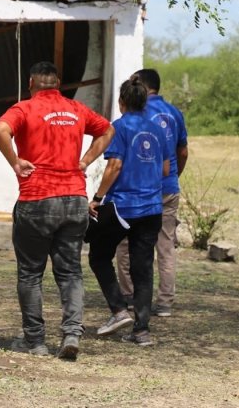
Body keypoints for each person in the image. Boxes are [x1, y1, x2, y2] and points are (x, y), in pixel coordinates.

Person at [0, 61, 113, 359]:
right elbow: (108, 130)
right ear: (57, 82)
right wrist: (85, 161)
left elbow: (0, 130)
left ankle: (35, 342)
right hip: (74, 199)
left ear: (31, 82)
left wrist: (15, 161)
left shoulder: (24, 108)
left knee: (31, 274)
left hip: (37, 200)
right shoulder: (75, 109)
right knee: (70, 272)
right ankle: (71, 334)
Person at [87, 75, 169, 347]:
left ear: (121, 102)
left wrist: (98, 197)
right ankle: (141, 330)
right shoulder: (156, 130)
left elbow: (114, 166)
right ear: (145, 102)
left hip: (123, 207)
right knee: (142, 267)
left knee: (99, 256)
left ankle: (119, 310)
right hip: (152, 209)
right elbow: (166, 169)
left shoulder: (118, 128)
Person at [115, 68, 188, 317]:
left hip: (139, 192)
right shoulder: (175, 112)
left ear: (142, 88)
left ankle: (130, 296)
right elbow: (182, 152)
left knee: (125, 245)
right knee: (165, 246)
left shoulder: (138, 113)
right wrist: (172, 178)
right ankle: (165, 302)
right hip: (168, 188)